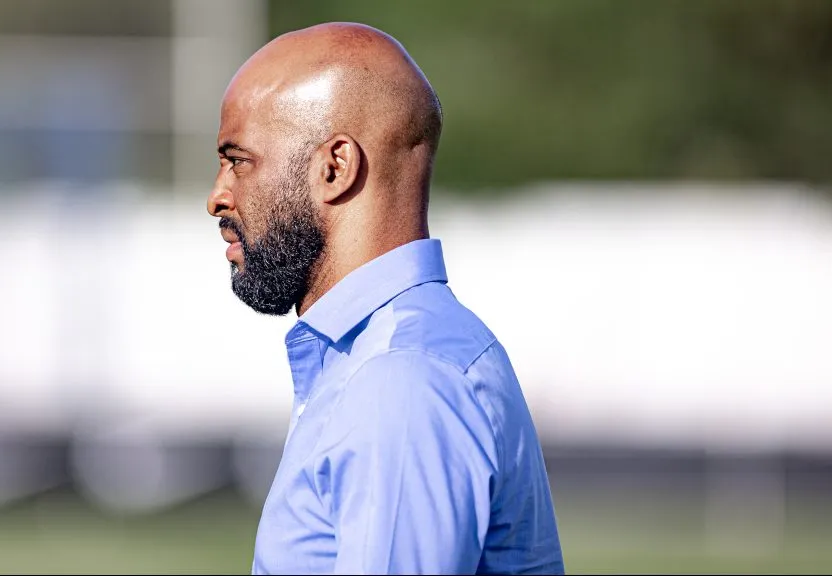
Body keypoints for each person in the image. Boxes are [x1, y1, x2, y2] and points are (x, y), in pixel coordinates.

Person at [206, 21, 564, 575]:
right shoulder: (389, 359)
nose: (217, 196)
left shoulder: (400, 379)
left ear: (335, 168)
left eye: (238, 159)